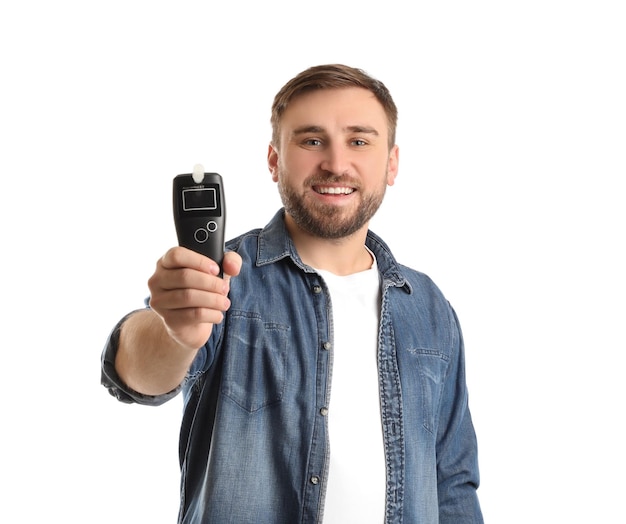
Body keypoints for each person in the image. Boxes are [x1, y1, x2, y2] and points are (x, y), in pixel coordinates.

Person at [101, 63, 483, 523]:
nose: (336, 163)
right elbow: (135, 374)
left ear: (392, 163)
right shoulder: (226, 278)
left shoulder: (429, 307)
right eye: (311, 140)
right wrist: (176, 334)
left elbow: (453, 481)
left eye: (359, 141)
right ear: (274, 160)